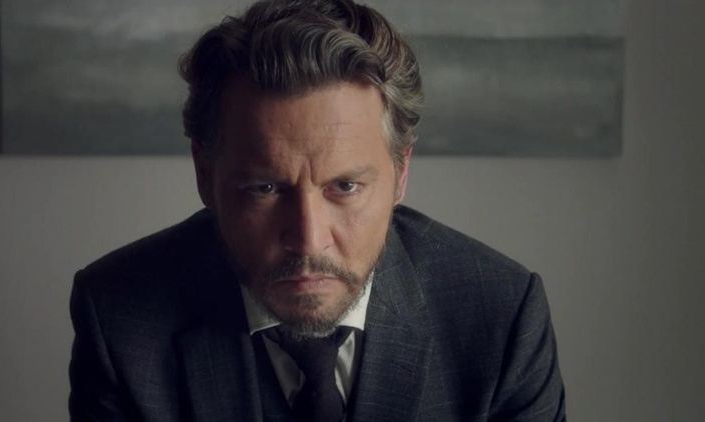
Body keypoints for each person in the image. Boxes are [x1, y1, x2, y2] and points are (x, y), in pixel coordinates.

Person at [68, 0, 566, 420]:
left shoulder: (501, 316)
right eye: (265, 188)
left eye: (345, 186)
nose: (308, 239)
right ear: (205, 174)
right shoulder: (119, 317)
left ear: (400, 173)